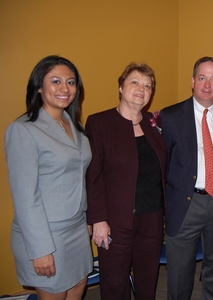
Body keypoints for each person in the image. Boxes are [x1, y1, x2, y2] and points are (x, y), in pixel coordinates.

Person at [4, 55, 92, 299]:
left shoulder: (73, 125)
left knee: (77, 290)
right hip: (47, 234)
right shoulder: (24, 130)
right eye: (56, 81)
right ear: (39, 87)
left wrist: (87, 220)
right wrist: (40, 250)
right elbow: (25, 198)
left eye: (71, 82)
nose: (65, 88)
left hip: (76, 228)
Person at [160, 56, 213, 300]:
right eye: (202, 78)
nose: (207, 85)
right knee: (179, 271)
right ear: (192, 81)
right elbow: (162, 165)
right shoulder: (170, 116)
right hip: (186, 202)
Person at [85, 62, 167, 300]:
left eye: (148, 85)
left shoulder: (156, 124)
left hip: (151, 219)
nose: (141, 89)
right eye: (135, 82)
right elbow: (93, 175)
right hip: (115, 221)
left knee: (147, 281)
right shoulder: (99, 123)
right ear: (121, 87)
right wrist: (98, 220)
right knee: (114, 283)